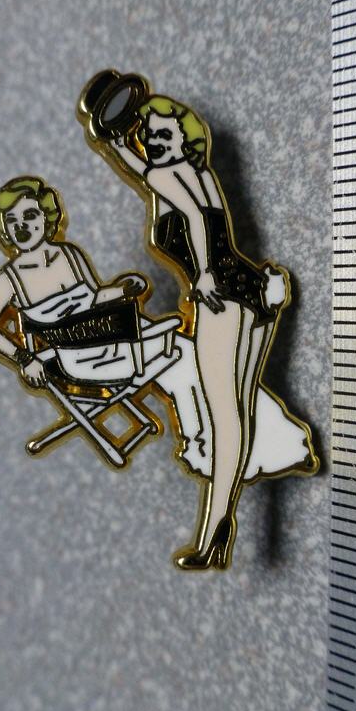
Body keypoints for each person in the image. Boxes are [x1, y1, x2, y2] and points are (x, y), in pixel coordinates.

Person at [94, 92, 319, 570]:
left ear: (186, 136)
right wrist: (113, 140)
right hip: (252, 291)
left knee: (225, 420)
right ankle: (223, 526)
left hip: (221, 297)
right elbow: (144, 171)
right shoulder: (199, 174)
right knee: (239, 414)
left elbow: (193, 219)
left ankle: (215, 532)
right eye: (148, 135)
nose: (153, 141)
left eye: (163, 134)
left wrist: (203, 276)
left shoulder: (165, 176)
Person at [0, 176, 212, 471]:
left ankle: (202, 438)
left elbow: (95, 299)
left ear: (46, 216)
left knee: (185, 351)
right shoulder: (10, 279)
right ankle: (200, 442)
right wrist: (25, 358)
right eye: (12, 221)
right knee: (179, 356)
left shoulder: (70, 256)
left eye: (30, 215)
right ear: (4, 229)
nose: (22, 226)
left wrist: (122, 290)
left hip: (111, 336)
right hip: (80, 361)